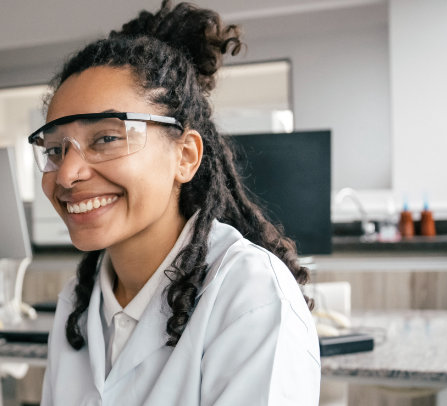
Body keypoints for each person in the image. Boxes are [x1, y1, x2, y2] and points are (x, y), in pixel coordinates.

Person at [31, 1, 321, 404]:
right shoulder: (78, 302)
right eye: (56, 149)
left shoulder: (250, 294)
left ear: (184, 156)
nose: (66, 174)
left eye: (107, 138)